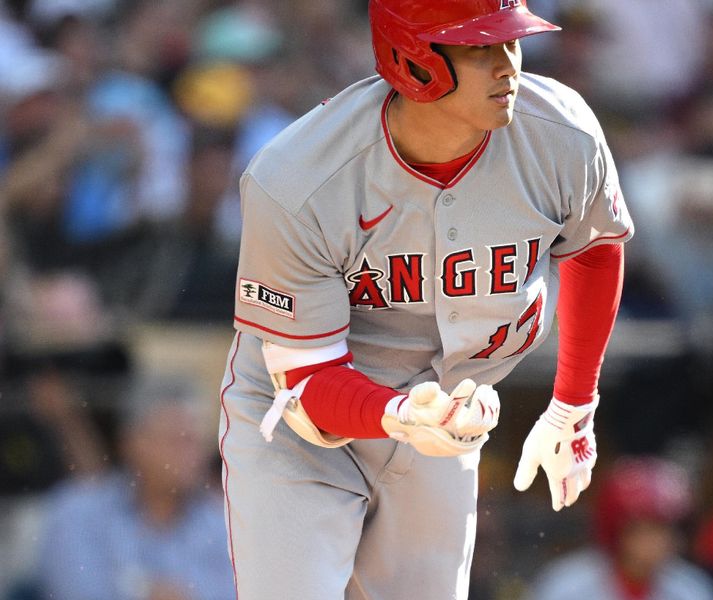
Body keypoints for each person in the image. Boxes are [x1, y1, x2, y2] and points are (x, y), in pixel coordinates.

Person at [218, 1, 633, 598]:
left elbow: (595, 249)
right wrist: (401, 416)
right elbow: (307, 380)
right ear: (412, 58)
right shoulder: (298, 179)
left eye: (511, 43)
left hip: (448, 406)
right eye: (479, 47)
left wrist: (573, 404)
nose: (507, 66)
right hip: (302, 424)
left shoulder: (561, 132)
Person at [35, 375, 234, 600]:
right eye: (178, 440)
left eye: (197, 441)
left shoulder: (225, 524)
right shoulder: (76, 513)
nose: (193, 455)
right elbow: (73, 591)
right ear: (132, 443)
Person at [523, 456, 713, 600]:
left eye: (667, 529)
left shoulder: (691, 589)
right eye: (647, 529)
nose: (661, 541)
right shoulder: (567, 585)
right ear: (616, 529)